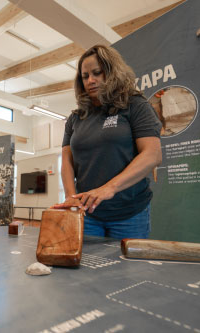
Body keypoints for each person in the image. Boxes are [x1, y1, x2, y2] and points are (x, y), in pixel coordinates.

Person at [52, 45, 162, 239]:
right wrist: (70, 196)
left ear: (112, 72)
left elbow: (152, 155)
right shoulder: (75, 118)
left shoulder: (135, 105)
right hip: (87, 213)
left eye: (97, 73)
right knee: (86, 267)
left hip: (129, 214)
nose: (90, 81)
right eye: (85, 76)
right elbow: (67, 162)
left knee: (129, 269)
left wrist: (108, 189)